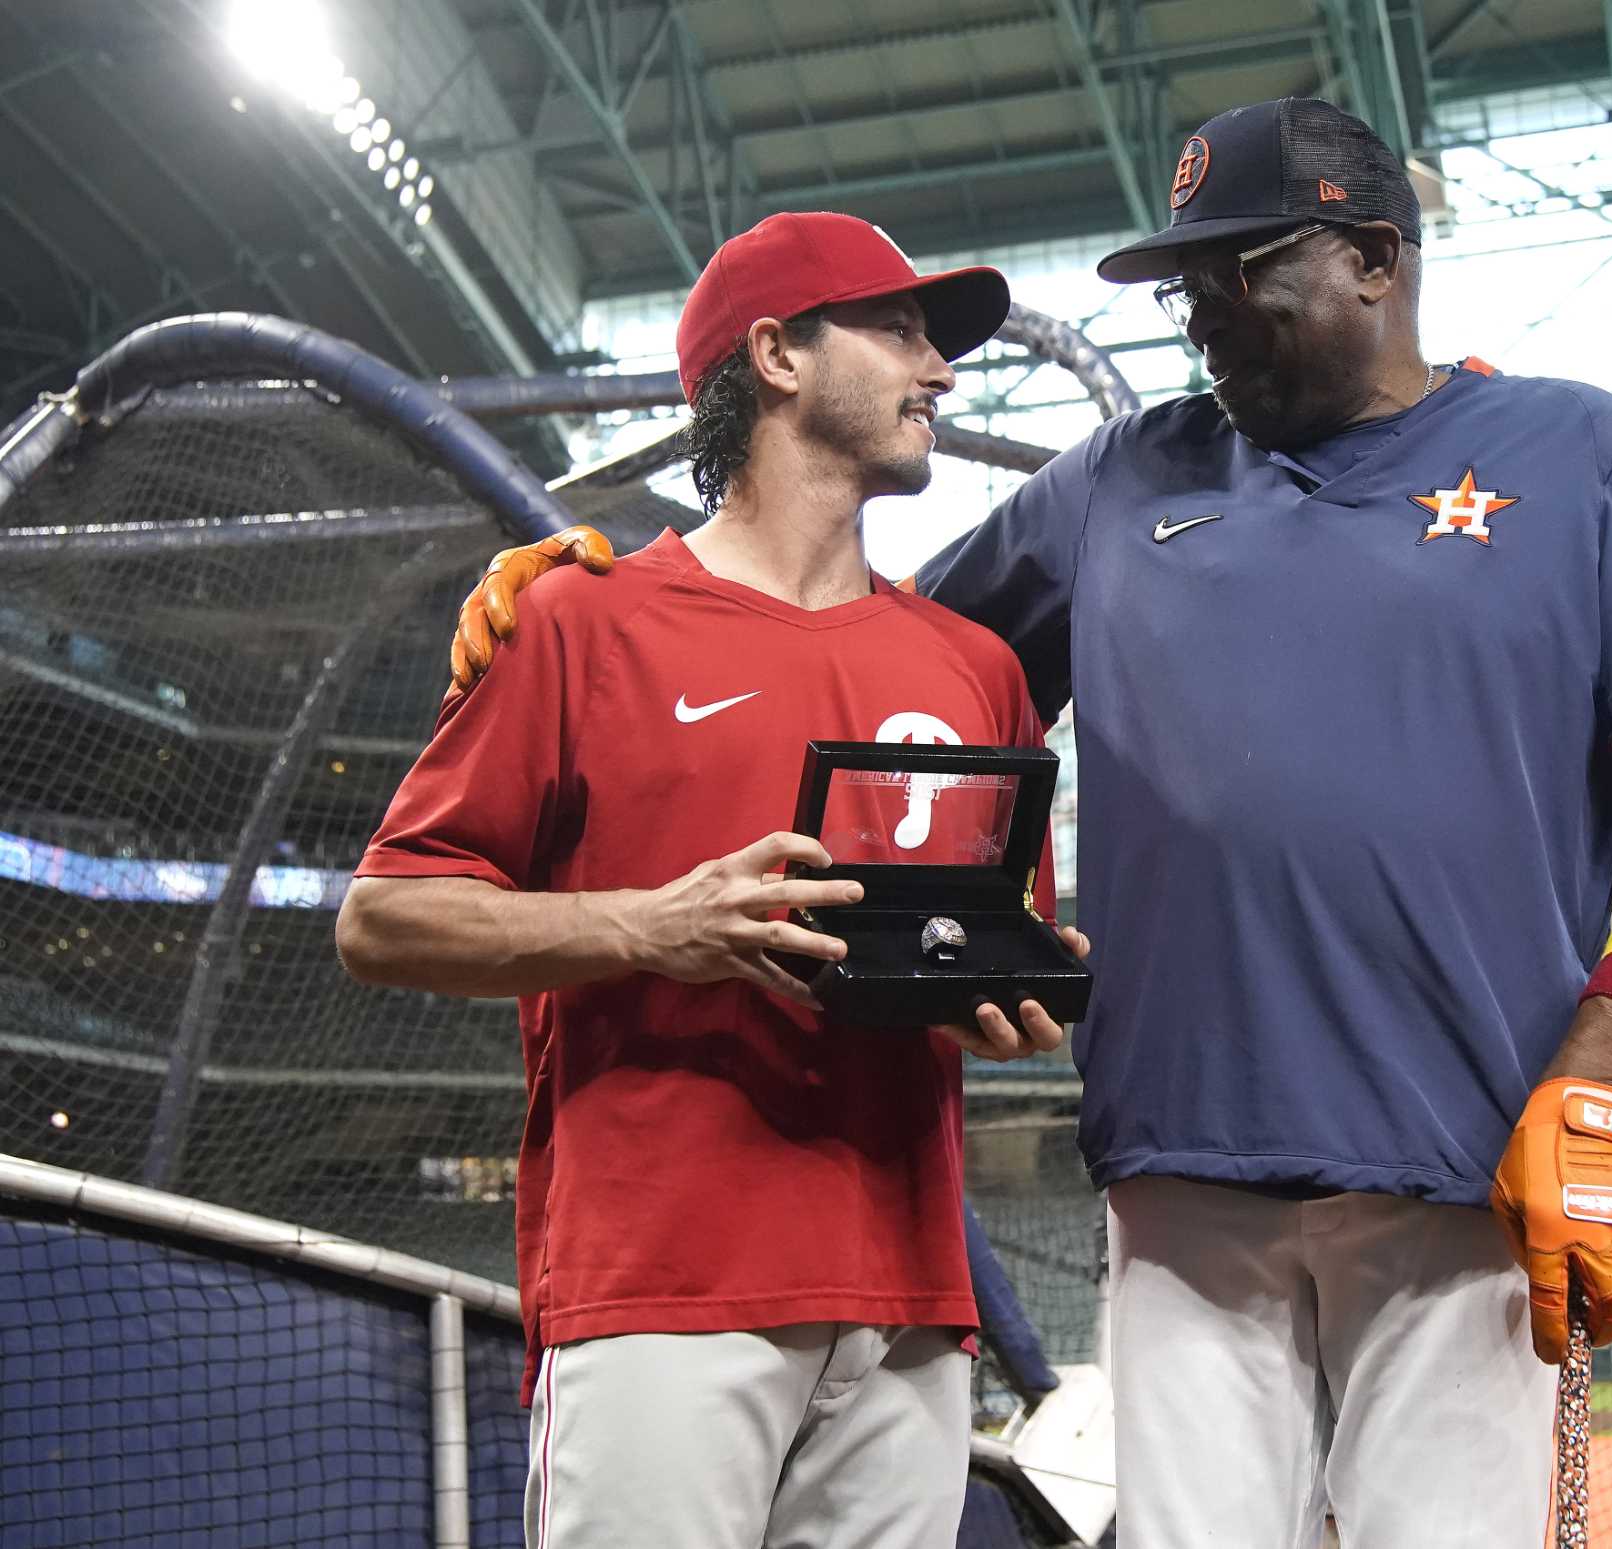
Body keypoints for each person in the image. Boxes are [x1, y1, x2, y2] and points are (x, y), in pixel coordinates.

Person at [438, 99, 1612, 1548]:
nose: (1201, 316)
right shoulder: (1117, 481)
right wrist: (613, 586)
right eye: (1183, 283)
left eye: (1242, 269)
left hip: (1469, 1169)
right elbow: (848, 653)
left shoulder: (1586, 456)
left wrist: (1603, 1065)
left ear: (1375, 260)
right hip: (1181, 1186)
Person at [337, 211, 1087, 1549]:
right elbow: (381, 915)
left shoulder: (978, 670)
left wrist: (1009, 993)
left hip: (909, 1308)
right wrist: (658, 923)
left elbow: (985, 953)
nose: (943, 370)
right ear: (778, 354)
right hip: (660, 1291)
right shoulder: (580, 620)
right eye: (902, 328)